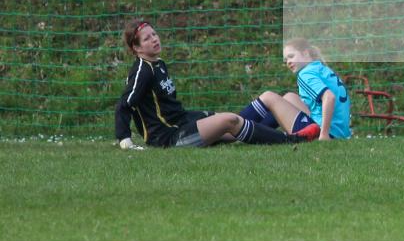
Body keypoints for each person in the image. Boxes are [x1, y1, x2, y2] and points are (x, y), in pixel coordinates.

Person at [114, 19, 301, 149]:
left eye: (154, 34)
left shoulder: (158, 64)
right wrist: (125, 139)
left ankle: (281, 118)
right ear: (136, 48)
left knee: (231, 127)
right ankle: (291, 140)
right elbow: (125, 104)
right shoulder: (142, 71)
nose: (154, 39)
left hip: (183, 122)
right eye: (147, 38)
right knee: (230, 121)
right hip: (168, 138)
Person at [240, 38, 351, 141]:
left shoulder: (306, 74)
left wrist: (324, 134)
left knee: (269, 97)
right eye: (286, 59)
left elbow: (329, 97)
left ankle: (238, 126)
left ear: (306, 54)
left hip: (324, 133)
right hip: (339, 134)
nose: (288, 62)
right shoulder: (323, 69)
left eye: (291, 56)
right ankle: (251, 130)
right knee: (289, 97)